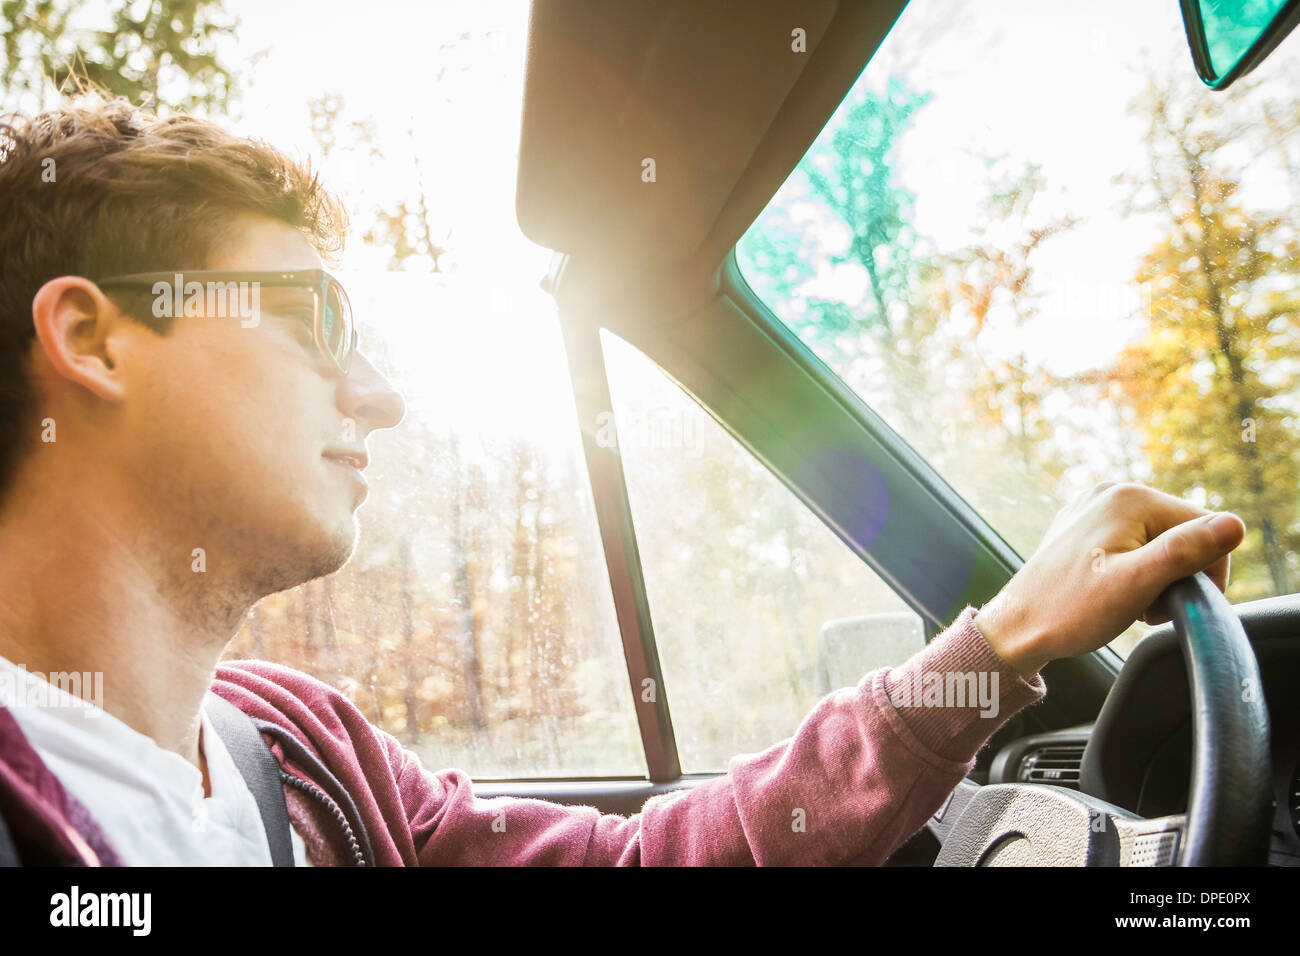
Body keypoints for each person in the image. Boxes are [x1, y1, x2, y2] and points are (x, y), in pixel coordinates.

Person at [0, 100, 1246, 866]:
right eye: (316, 316)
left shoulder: (305, 752)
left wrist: (1005, 635)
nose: (375, 392)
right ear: (94, 339)